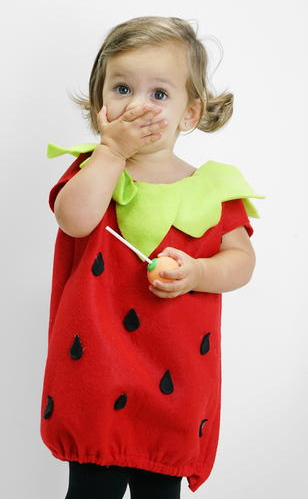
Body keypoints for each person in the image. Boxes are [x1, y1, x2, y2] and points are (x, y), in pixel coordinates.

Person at [39, 16, 266, 498]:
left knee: (159, 490)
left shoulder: (213, 189)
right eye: (122, 88)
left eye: (159, 94)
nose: (137, 105)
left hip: (176, 374)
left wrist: (199, 271)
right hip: (97, 368)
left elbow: (241, 262)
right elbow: (73, 219)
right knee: (92, 488)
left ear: (190, 113)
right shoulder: (93, 171)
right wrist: (110, 153)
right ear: (101, 102)